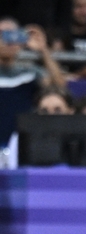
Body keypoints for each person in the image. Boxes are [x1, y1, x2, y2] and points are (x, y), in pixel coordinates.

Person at [0, 19, 67, 162]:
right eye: (3, 35)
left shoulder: (29, 73)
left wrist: (43, 50)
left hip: (21, 148)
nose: (9, 41)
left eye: (14, 35)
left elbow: (59, 86)